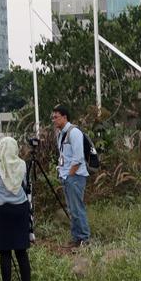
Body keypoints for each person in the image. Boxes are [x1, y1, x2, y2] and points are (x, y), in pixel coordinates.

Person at [0, 137, 34, 281]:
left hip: (2, 210)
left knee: (5, 251)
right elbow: (25, 185)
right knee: (21, 251)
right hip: (21, 210)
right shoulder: (22, 165)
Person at [53, 105, 91, 248]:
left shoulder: (74, 132)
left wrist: (69, 176)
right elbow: (65, 156)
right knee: (72, 209)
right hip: (67, 176)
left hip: (75, 176)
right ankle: (76, 238)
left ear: (64, 117)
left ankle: (84, 239)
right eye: (53, 117)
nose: (54, 120)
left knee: (77, 209)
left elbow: (78, 158)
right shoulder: (61, 134)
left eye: (56, 117)